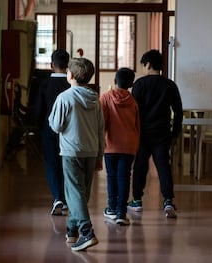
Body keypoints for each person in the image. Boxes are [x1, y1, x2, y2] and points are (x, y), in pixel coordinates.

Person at [48, 57, 105, 251]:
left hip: (71, 151)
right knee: (81, 193)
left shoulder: (64, 98)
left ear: (69, 75)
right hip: (91, 150)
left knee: (73, 192)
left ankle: (86, 231)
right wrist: (100, 155)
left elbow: (56, 126)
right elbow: (100, 129)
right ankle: (72, 230)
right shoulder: (95, 100)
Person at [128, 49, 183, 219]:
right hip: (162, 133)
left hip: (142, 133)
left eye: (143, 66)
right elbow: (178, 111)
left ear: (148, 65)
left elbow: (133, 111)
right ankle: (168, 201)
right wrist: (175, 133)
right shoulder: (170, 85)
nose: (143, 69)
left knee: (140, 166)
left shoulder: (139, 85)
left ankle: (137, 200)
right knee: (163, 166)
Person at [100, 68, 140, 226]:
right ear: (131, 84)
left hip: (111, 145)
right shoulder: (133, 101)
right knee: (124, 177)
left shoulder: (106, 98)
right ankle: (121, 213)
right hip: (129, 145)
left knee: (112, 177)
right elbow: (138, 125)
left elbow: (102, 122)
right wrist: (136, 144)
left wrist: (100, 142)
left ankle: (111, 208)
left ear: (115, 80)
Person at [35, 49, 71, 215]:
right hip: (69, 130)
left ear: (51, 65)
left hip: (49, 129)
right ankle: (65, 198)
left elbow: (39, 110)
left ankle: (57, 197)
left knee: (51, 164)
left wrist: (38, 127)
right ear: (68, 65)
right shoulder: (72, 84)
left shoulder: (44, 84)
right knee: (66, 164)